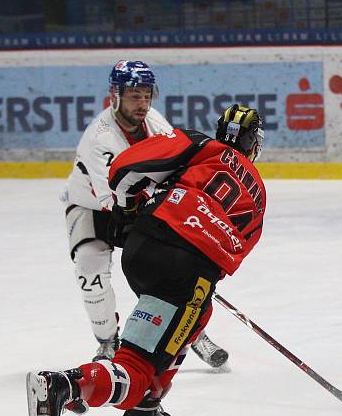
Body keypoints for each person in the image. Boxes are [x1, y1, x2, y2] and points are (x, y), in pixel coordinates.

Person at [27, 104, 265, 416]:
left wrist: (129, 210)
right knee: (138, 369)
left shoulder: (198, 144)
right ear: (253, 143)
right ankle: (66, 386)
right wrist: (198, 268)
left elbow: (124, 168)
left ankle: (144, 411)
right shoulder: (258, 192)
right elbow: (237, 252)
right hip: (187, 270)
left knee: (198, 315)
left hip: (143, 247)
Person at [61, 59, 229, 367]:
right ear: (116, 95)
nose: (143, 103)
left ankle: (190, 331)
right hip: (92, 205)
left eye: (147, 94)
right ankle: (108, 343)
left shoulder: (155, 121)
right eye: (135, 95)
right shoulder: (100, 138)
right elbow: (112, 197)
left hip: (133, 201)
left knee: (171, 265)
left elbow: (175, 166)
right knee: (90, 268)